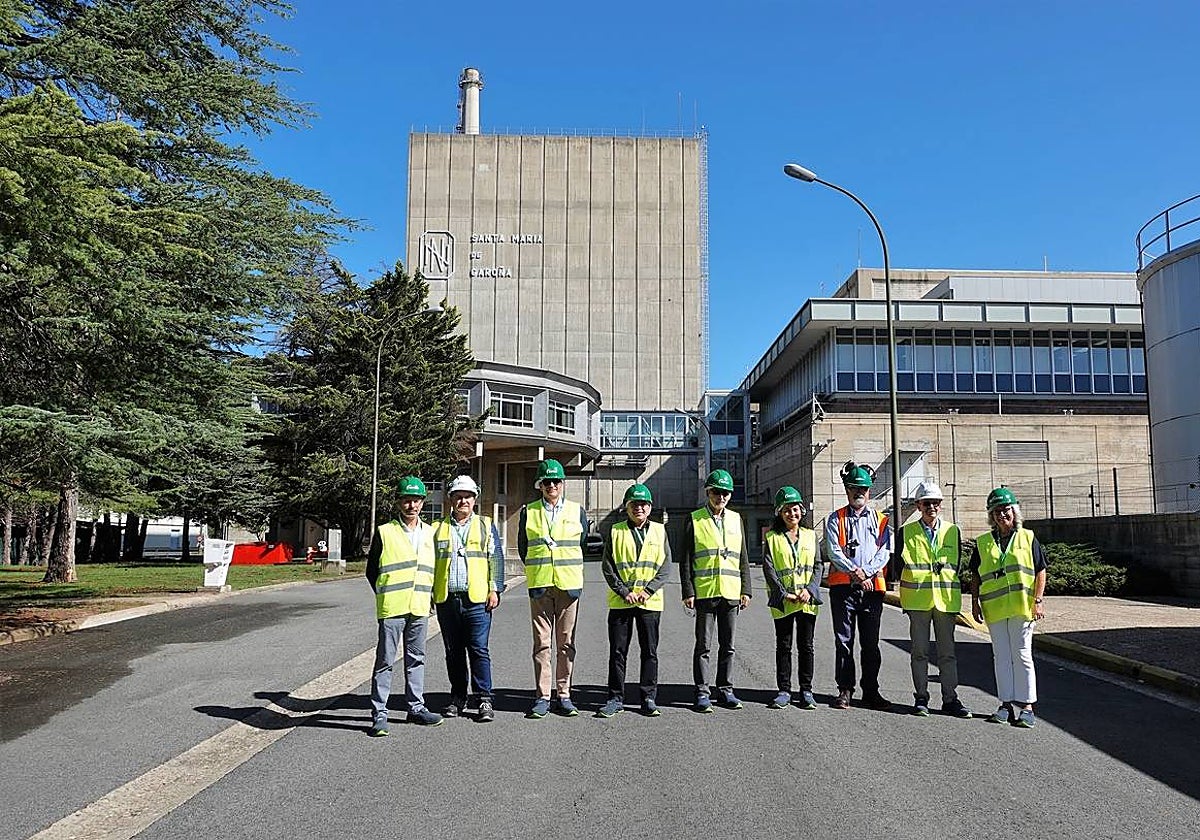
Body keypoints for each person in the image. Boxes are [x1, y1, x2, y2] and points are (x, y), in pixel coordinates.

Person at [365, 476, 442, 735]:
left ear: (422, 503)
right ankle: (380, 713)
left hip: (419, 606)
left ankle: (416, 707)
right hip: (392, 608)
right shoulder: (385, 532)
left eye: (416, 500)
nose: (412, 505)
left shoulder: (431, 533)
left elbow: (434, 570)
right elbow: (371, 570)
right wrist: (384, 594)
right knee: (385, 661)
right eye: (407, 500)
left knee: (416, 659)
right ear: (399, 502)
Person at [970, 487, 1048, 729]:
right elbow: (974, 574)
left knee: (1022, 655)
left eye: (1006, 510)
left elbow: (1040, 570)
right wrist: (974, 603)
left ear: (1014, 511)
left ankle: (1026, 707)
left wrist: (1038, 600)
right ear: (991, 516)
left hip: (1022, 608)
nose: (1002, 515)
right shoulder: (983, 542)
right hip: (994, 608)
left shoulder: (1027, 537)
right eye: (996, 512)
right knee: (1001, 657)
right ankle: (1004, 704)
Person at [518, 458, 590, 719]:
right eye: (547, 482)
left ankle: (564, 694)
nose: (552, 486)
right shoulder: (529, 511)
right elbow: (525, 548)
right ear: (540, 484)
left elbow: (580, 542)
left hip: (568, 585)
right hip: (540, 584)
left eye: (556, 481)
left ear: (563, 483)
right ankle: (542, 696)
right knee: (541, 644)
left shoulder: (576, 511)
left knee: (566, 643)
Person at [432, 474, 505, 723]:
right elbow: (430, 564)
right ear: (451, 500)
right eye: (458, 497)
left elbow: (495, 559)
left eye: (468, 497)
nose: (463, 501)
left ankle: (484, 698)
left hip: (477, 600)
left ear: (475, 499)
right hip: (447, 599)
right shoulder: (437, 528)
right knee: (453, 652)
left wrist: (495, 589)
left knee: (478, 650)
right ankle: (458, 697)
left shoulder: (486, 525)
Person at [897, 481, 972, 718]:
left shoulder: (953, 531)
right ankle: (921, 697)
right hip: (918, 601)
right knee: (919, 652)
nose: (932, 507)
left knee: (947, 654)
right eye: (926, 503)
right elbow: (898, 566)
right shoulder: (906, 532)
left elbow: (956, 565)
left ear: (941, 505)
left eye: (935, 503)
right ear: (918, 505)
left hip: (945, 601)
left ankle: (950, 698)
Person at [598, 484, 672, 718]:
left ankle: (648, 697)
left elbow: (665, 566)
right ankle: (615, 697)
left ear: (650, 508)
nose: (638, 507)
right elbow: (608, 566)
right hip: (622, 602)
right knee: (618, 652)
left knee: (649, 651)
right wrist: (623, 591)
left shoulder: (660, 531)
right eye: (634, 504)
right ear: (626, 507)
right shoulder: (615, 531)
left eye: (643, 504)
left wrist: (648, 590)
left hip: (649, 603)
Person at [681, 468, 752, 713]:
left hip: (731, 592)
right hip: (704, 592)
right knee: (703, 645)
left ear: (730, 495)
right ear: (708, 492)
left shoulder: (736, 519)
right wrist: (687, 591)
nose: (721, 497)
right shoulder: (694, 518)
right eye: (716, 492)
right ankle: (702, 691)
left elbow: (742, 557)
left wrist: (747, 589)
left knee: (728, 645)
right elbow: (686, 558)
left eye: (725, 493)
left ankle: (725, 690)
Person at [824, 461, 893, 711]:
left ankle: (871, 691)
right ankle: (845, 690)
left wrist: (867, 572)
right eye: (854, 488)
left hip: (871, 590)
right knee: (844, 641)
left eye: (863, 488)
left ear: (870, 491)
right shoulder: (835, 519)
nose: (859, 492)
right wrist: (854, 571)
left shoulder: (882, 520)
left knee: (870, 643)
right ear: (847, 489)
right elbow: (833, 550)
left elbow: (885, 552)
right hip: (843, 589)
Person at [761, 486, 822, 711]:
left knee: (806, 646)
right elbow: (769, 569)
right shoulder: (772, 537)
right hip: (784, 600)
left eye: (795, 509)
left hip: (807, 600)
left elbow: (817, 566)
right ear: (779, 512)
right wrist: (782, 592)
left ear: (801, 511)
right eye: (786, 510)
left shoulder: (810, 536)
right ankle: (784, 690)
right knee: (783, 646)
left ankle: (806, 690)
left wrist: (810, 590)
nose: (791, 514)